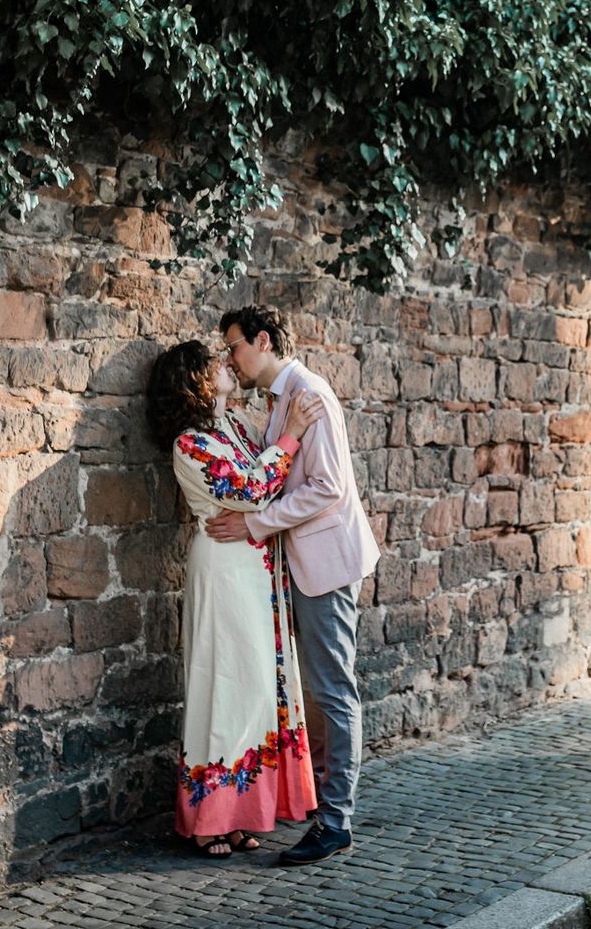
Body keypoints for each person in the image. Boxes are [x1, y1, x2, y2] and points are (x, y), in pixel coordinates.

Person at [205, 305, 379, 866]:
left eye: (233, 346)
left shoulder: (310, 394)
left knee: (333, 691)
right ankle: (325, 811)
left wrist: (255, 524)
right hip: (301, 564)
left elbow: (325, 489)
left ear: (262, 339)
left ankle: (336, 823)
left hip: (325, 563)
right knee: (317, 693)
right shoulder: (282, 401)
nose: (230, 356)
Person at [148, 340, 326, 858]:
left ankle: (241, 814)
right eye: (214, 365)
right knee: (222, 683)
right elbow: (250, 489)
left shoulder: (235, 430)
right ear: (194, 383)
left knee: (254, 688)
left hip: (257, 567)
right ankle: (208, 819)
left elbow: (269, 484)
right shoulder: (189, 444)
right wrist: (291, 435)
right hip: (224, 568)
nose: (226, 366)